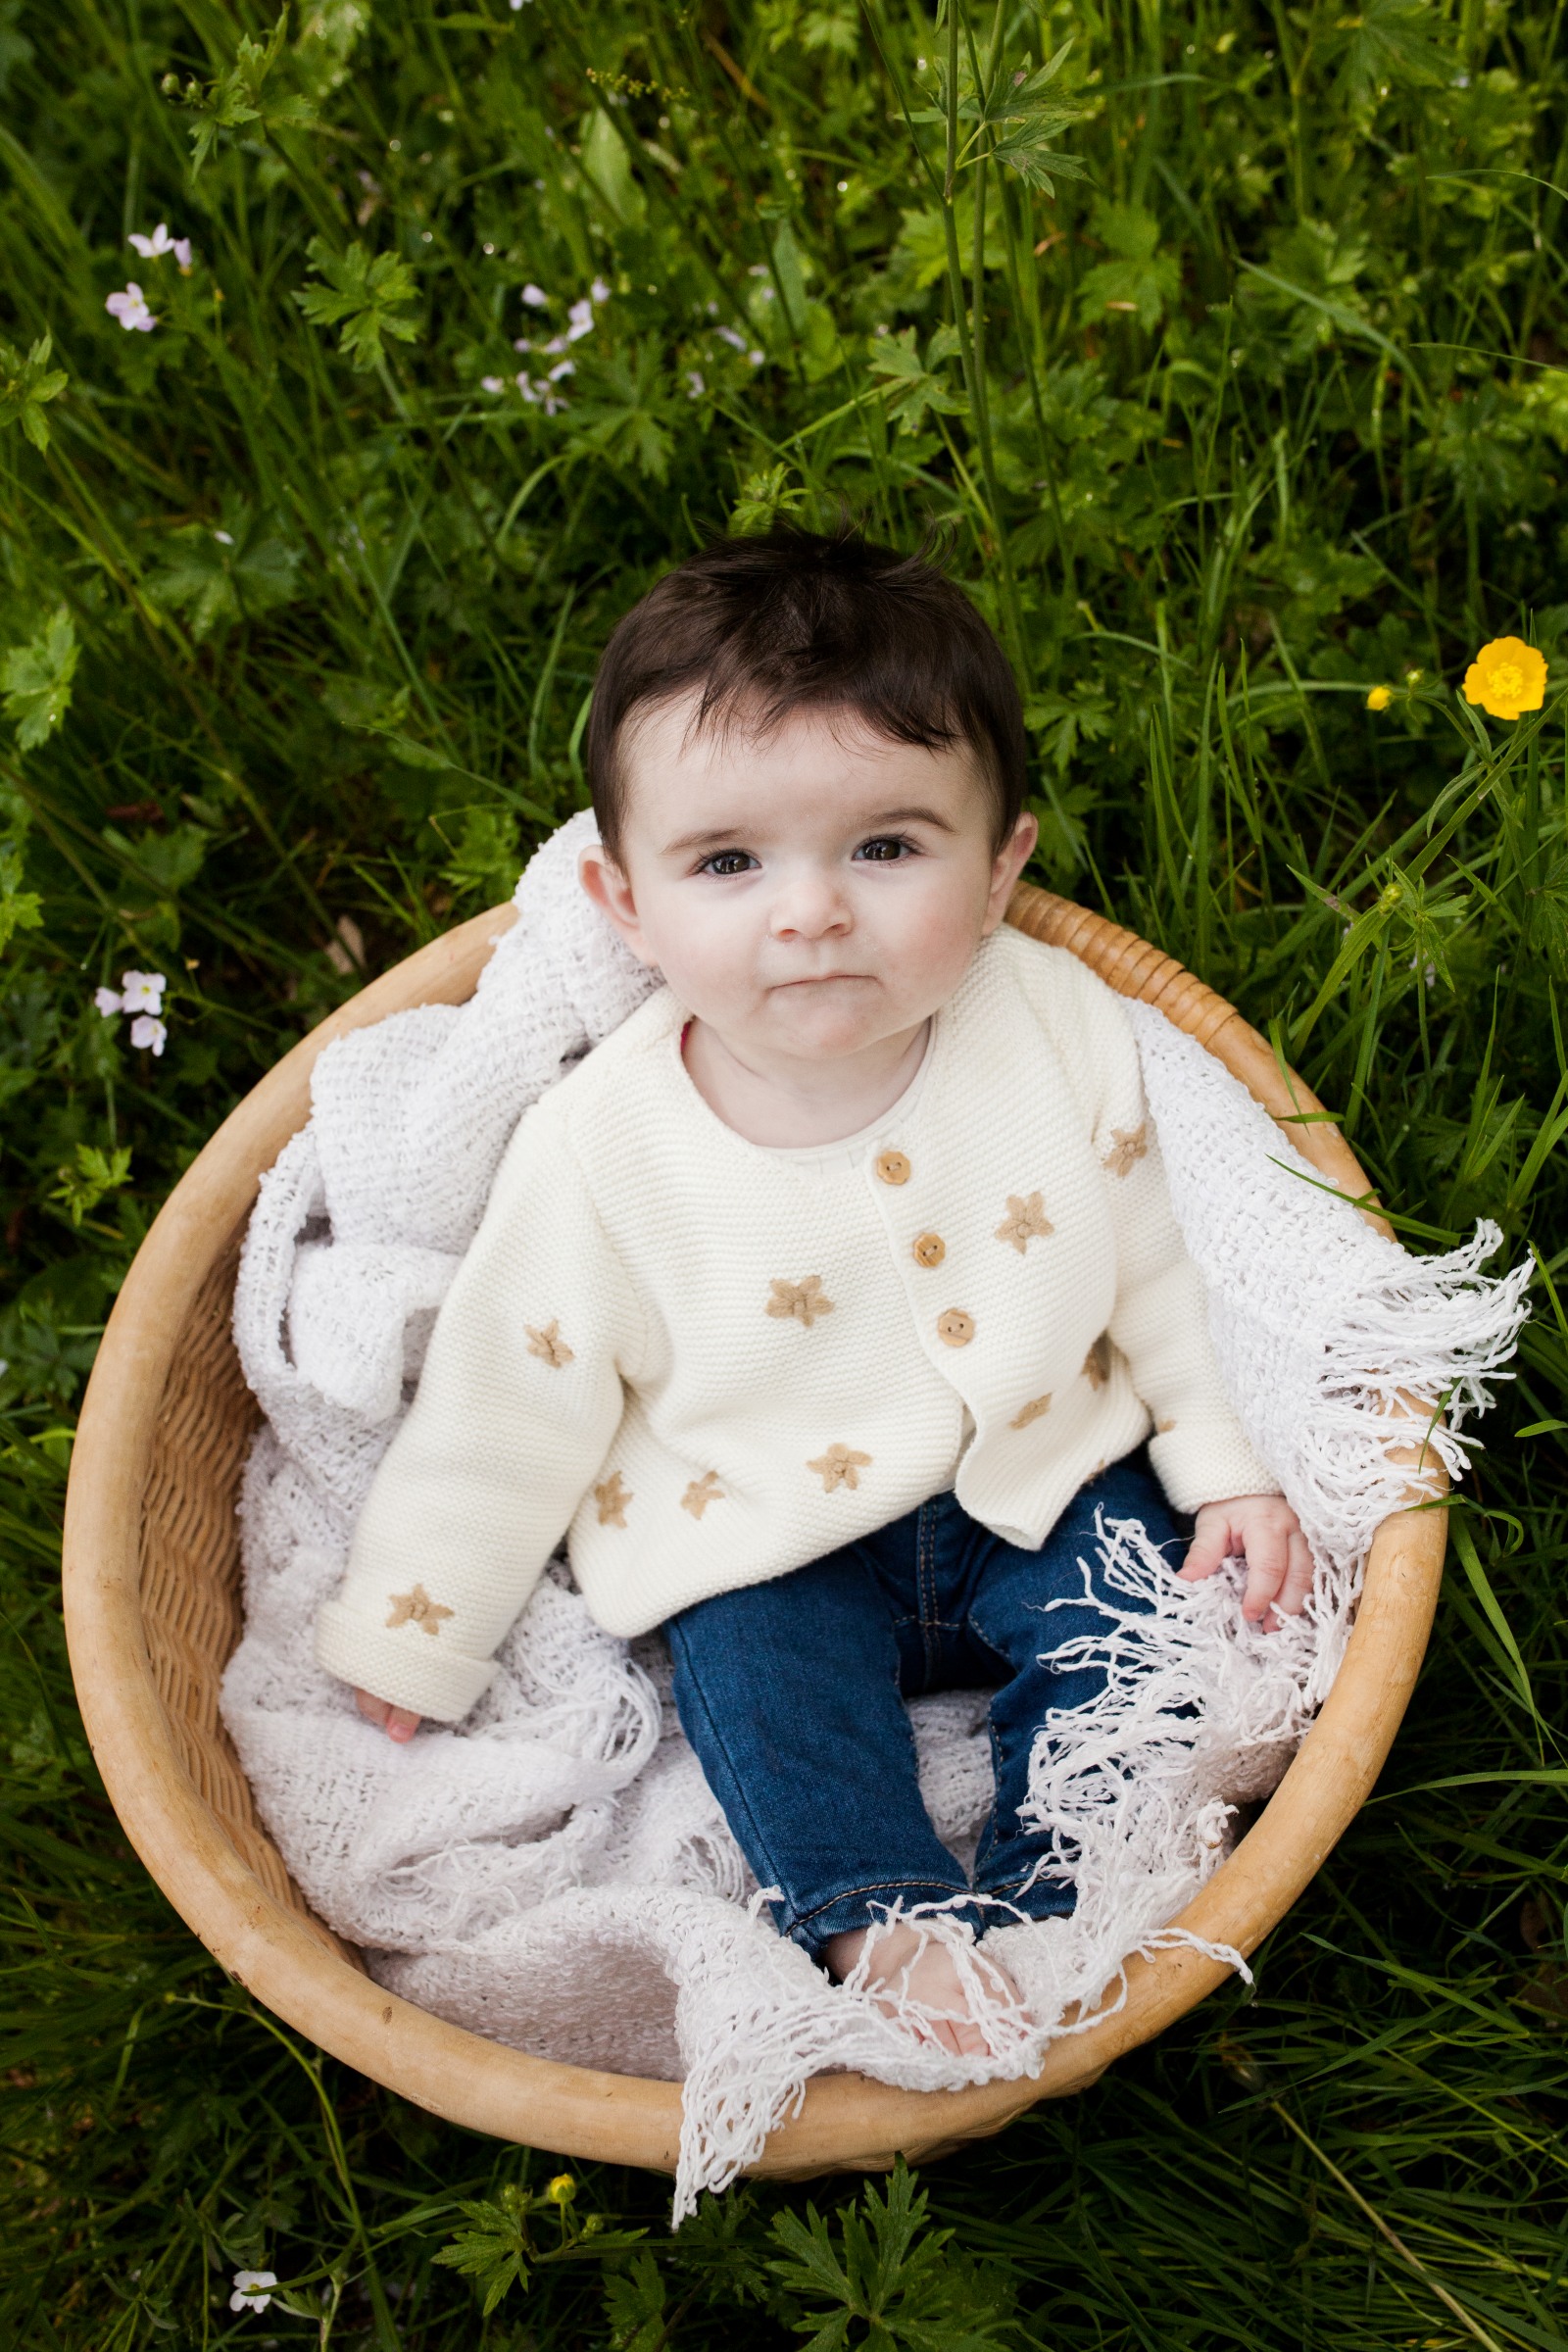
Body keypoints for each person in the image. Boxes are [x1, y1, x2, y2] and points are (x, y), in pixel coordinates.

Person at [314, 523, 1313, 2052]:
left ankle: (1073, 1898)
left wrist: (1218, 1458)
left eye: (886, 847)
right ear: (626, 905)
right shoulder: (603, 1144)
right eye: (728, 863)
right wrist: (417, 1620)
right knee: (770, 1687)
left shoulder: (1050, 1023)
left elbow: (1158, 1258)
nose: (811, 910)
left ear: (1000, 870)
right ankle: (882, 1913)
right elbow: (510, 1392)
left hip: (1044, 1472)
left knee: (1136, 1630)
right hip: (760, 1525)